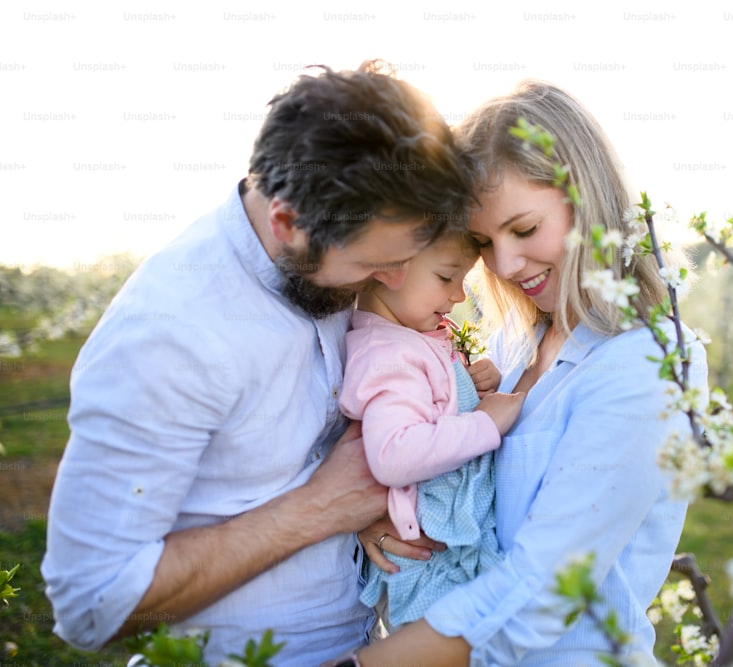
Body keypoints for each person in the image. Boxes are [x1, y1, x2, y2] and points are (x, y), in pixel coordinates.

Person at [42, 61, 477, 665]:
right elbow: (91, 602)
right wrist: (317, 510)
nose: (394, 282)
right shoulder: (168, 335)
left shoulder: (332, 257)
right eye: (374, 265)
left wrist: (372, 515)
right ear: (287, 222)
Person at [333, 81, 709, 666]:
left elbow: (542, 588)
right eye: (483, 241)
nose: (505, 264)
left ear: (587, 199)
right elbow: (456, 487)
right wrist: (390, 514)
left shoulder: (647, 361)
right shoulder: (515, 346)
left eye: (525, 230)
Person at [339, 231, 524, 630]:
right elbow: (395, 455)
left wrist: (468, 389)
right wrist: (484, 422)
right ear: (388, 268)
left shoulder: (409, 339)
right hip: (428, 568)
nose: (459, 295)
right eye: (446, 278)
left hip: (443, 555)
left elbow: (427, 411)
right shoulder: (389, 355)